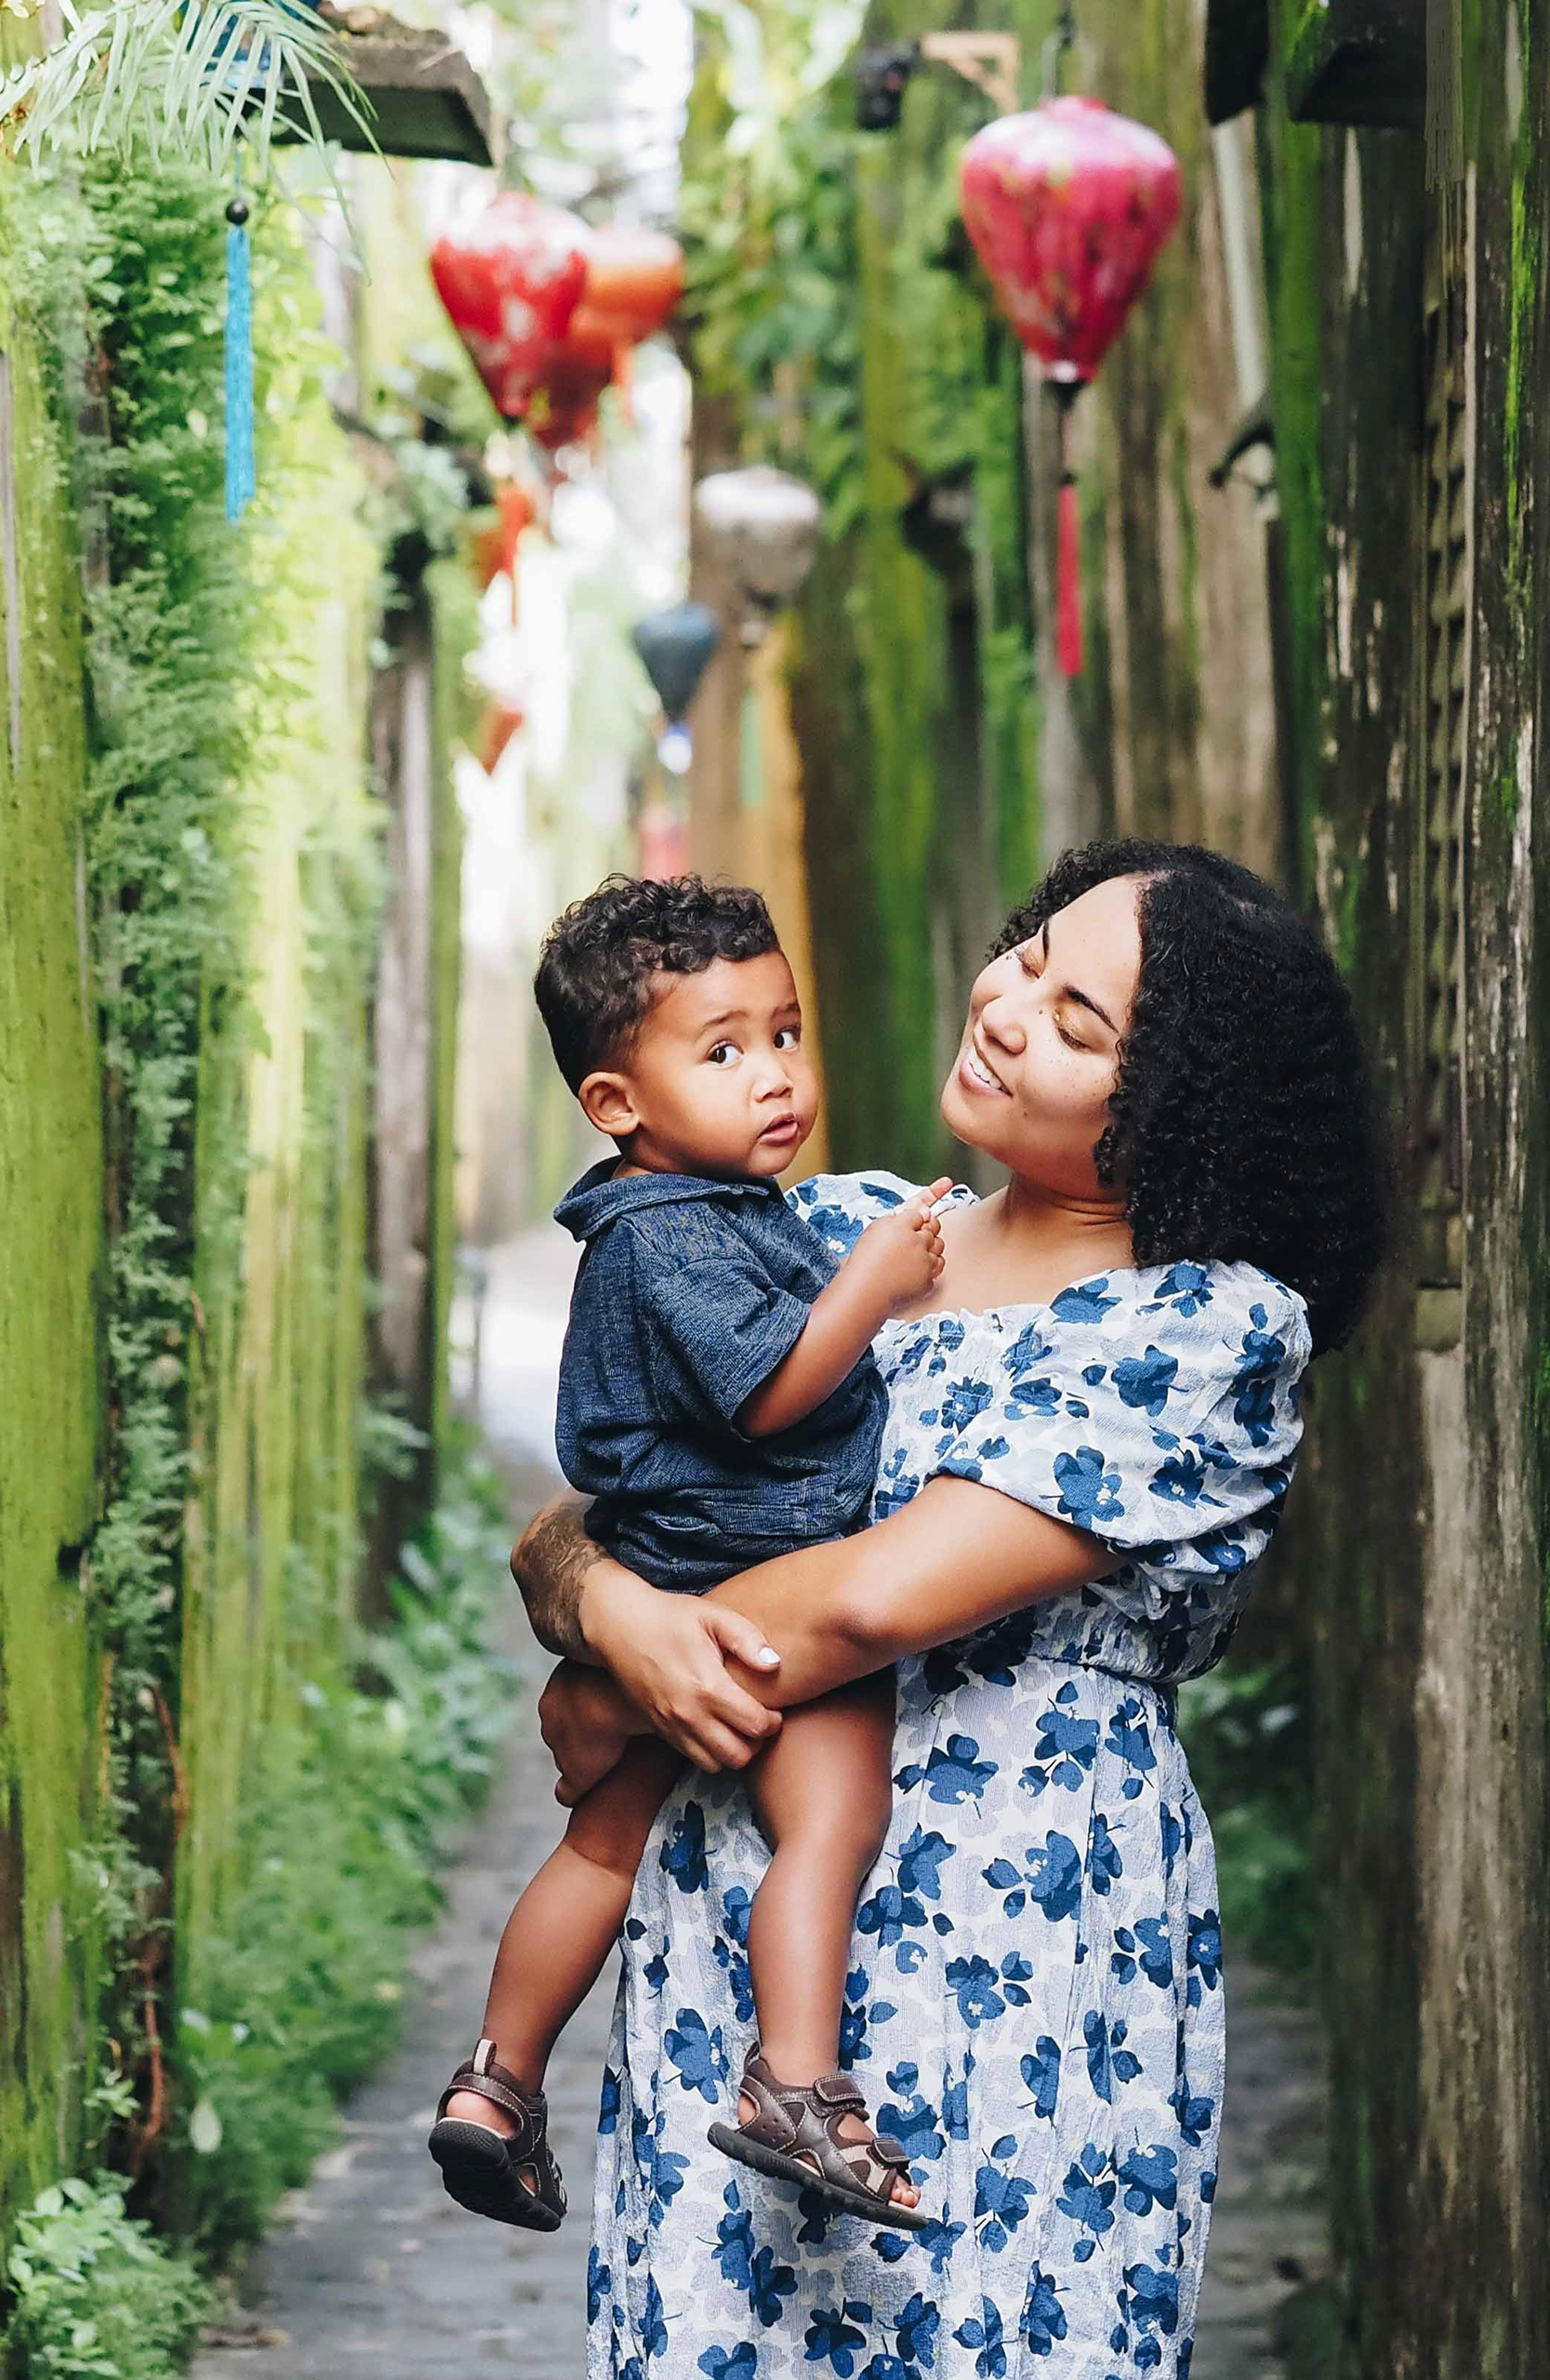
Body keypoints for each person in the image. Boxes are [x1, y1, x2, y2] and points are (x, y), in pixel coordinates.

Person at [510, 840, 1386, 2380]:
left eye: (1075, 1020)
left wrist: (621, 1673)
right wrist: (604, 1601)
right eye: (1029, 955)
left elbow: (870, 1601)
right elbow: (590, 1508)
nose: (1005, 1007)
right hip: (733, 1933)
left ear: (1174, 1104)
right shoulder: (824, 1231)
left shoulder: (1199, 1333)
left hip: (1015, 1942)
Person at [431, 877, 943, 2235]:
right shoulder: (676, 1234)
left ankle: (497, 2082)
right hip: (756, 1590)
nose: (774, 1074)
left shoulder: (697, 1209)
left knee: (601, 1847)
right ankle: (796, 2084)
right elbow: (770, 1393)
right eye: (722, 1051)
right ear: (616, 1103)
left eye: (785, 1033)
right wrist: (873, 1284)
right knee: (833, 1822)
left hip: (676, 1575)